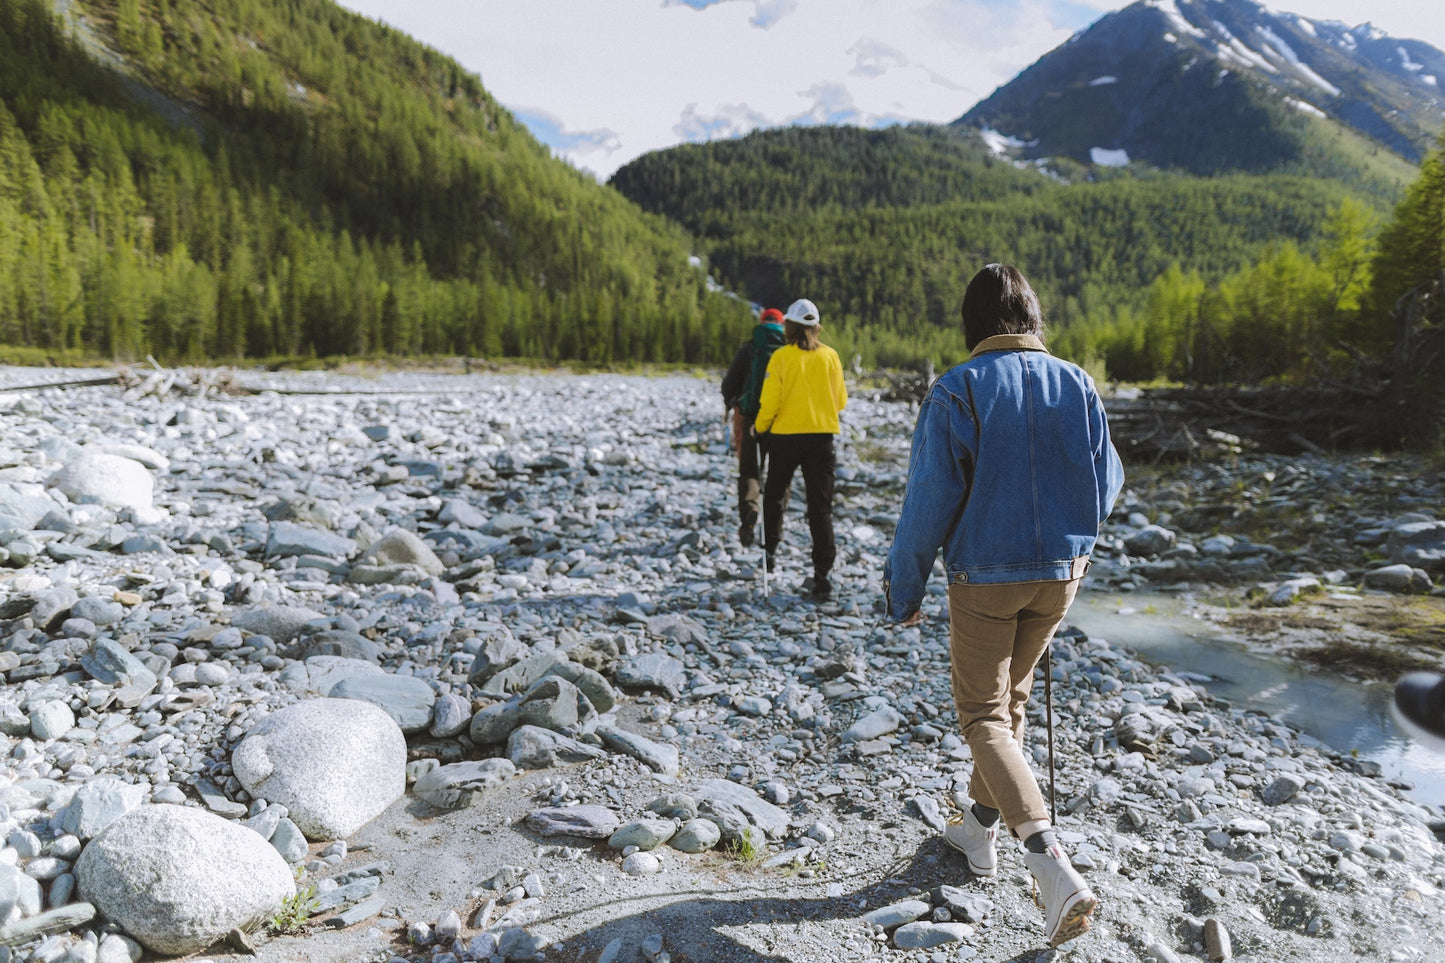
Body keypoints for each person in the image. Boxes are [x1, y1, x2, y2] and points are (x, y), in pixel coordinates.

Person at [882, 264, 1123, 947]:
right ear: (1032, 316)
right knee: (1009, 699)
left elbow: (926, 503)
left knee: (982, 713)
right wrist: (1074, 538)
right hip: (1061, 573)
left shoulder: (957, 387)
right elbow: (1108, 481)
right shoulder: (1076, 381)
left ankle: (1049, 863)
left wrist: (905, 590)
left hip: (986, 576)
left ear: (972, 323)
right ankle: (976, 832)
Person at [753, 298, 848, 600]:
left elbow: (771, 401)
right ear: (816, 327)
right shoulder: (831, 357)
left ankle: (770, 554)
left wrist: (759, 426)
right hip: (822, 439)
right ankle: (822, 576)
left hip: (785, 439)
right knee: (820, 508)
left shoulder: (781, 357)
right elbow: (841, 402)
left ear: (790, 326)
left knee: (775, 495)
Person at [721, 307, 787, 547]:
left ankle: (749, 512)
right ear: (781, 324)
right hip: (780, 422)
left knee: (750, 470)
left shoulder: (749, 348)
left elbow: (729, 384)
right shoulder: (787, 350)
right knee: (779, 476)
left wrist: (730, 402)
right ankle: (775, 527)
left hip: (749, 417)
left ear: (761, 323)